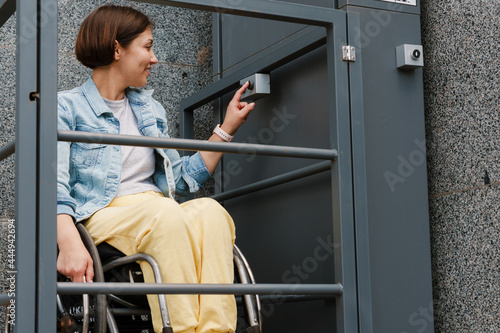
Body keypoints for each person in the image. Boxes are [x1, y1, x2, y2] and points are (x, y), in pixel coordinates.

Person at [56, 5, 254, 333]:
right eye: (147, 47)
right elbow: (53, 184)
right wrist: (68, 241)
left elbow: (183, 175)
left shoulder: (150, 109)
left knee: (211, 212)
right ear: (116, 48)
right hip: (102, 212)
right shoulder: (66, 107)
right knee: (166, 214)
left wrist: (227, 128)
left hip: (155, 209)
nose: (155, 58)